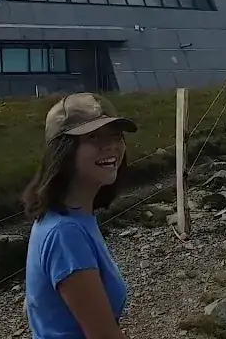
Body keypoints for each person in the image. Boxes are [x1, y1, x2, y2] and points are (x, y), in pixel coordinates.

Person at [23, 93, 138, 339]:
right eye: (93, 136)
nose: (110, 145)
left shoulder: (72, 216)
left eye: (115, 135)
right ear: (63, 151)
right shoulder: (65, 233)